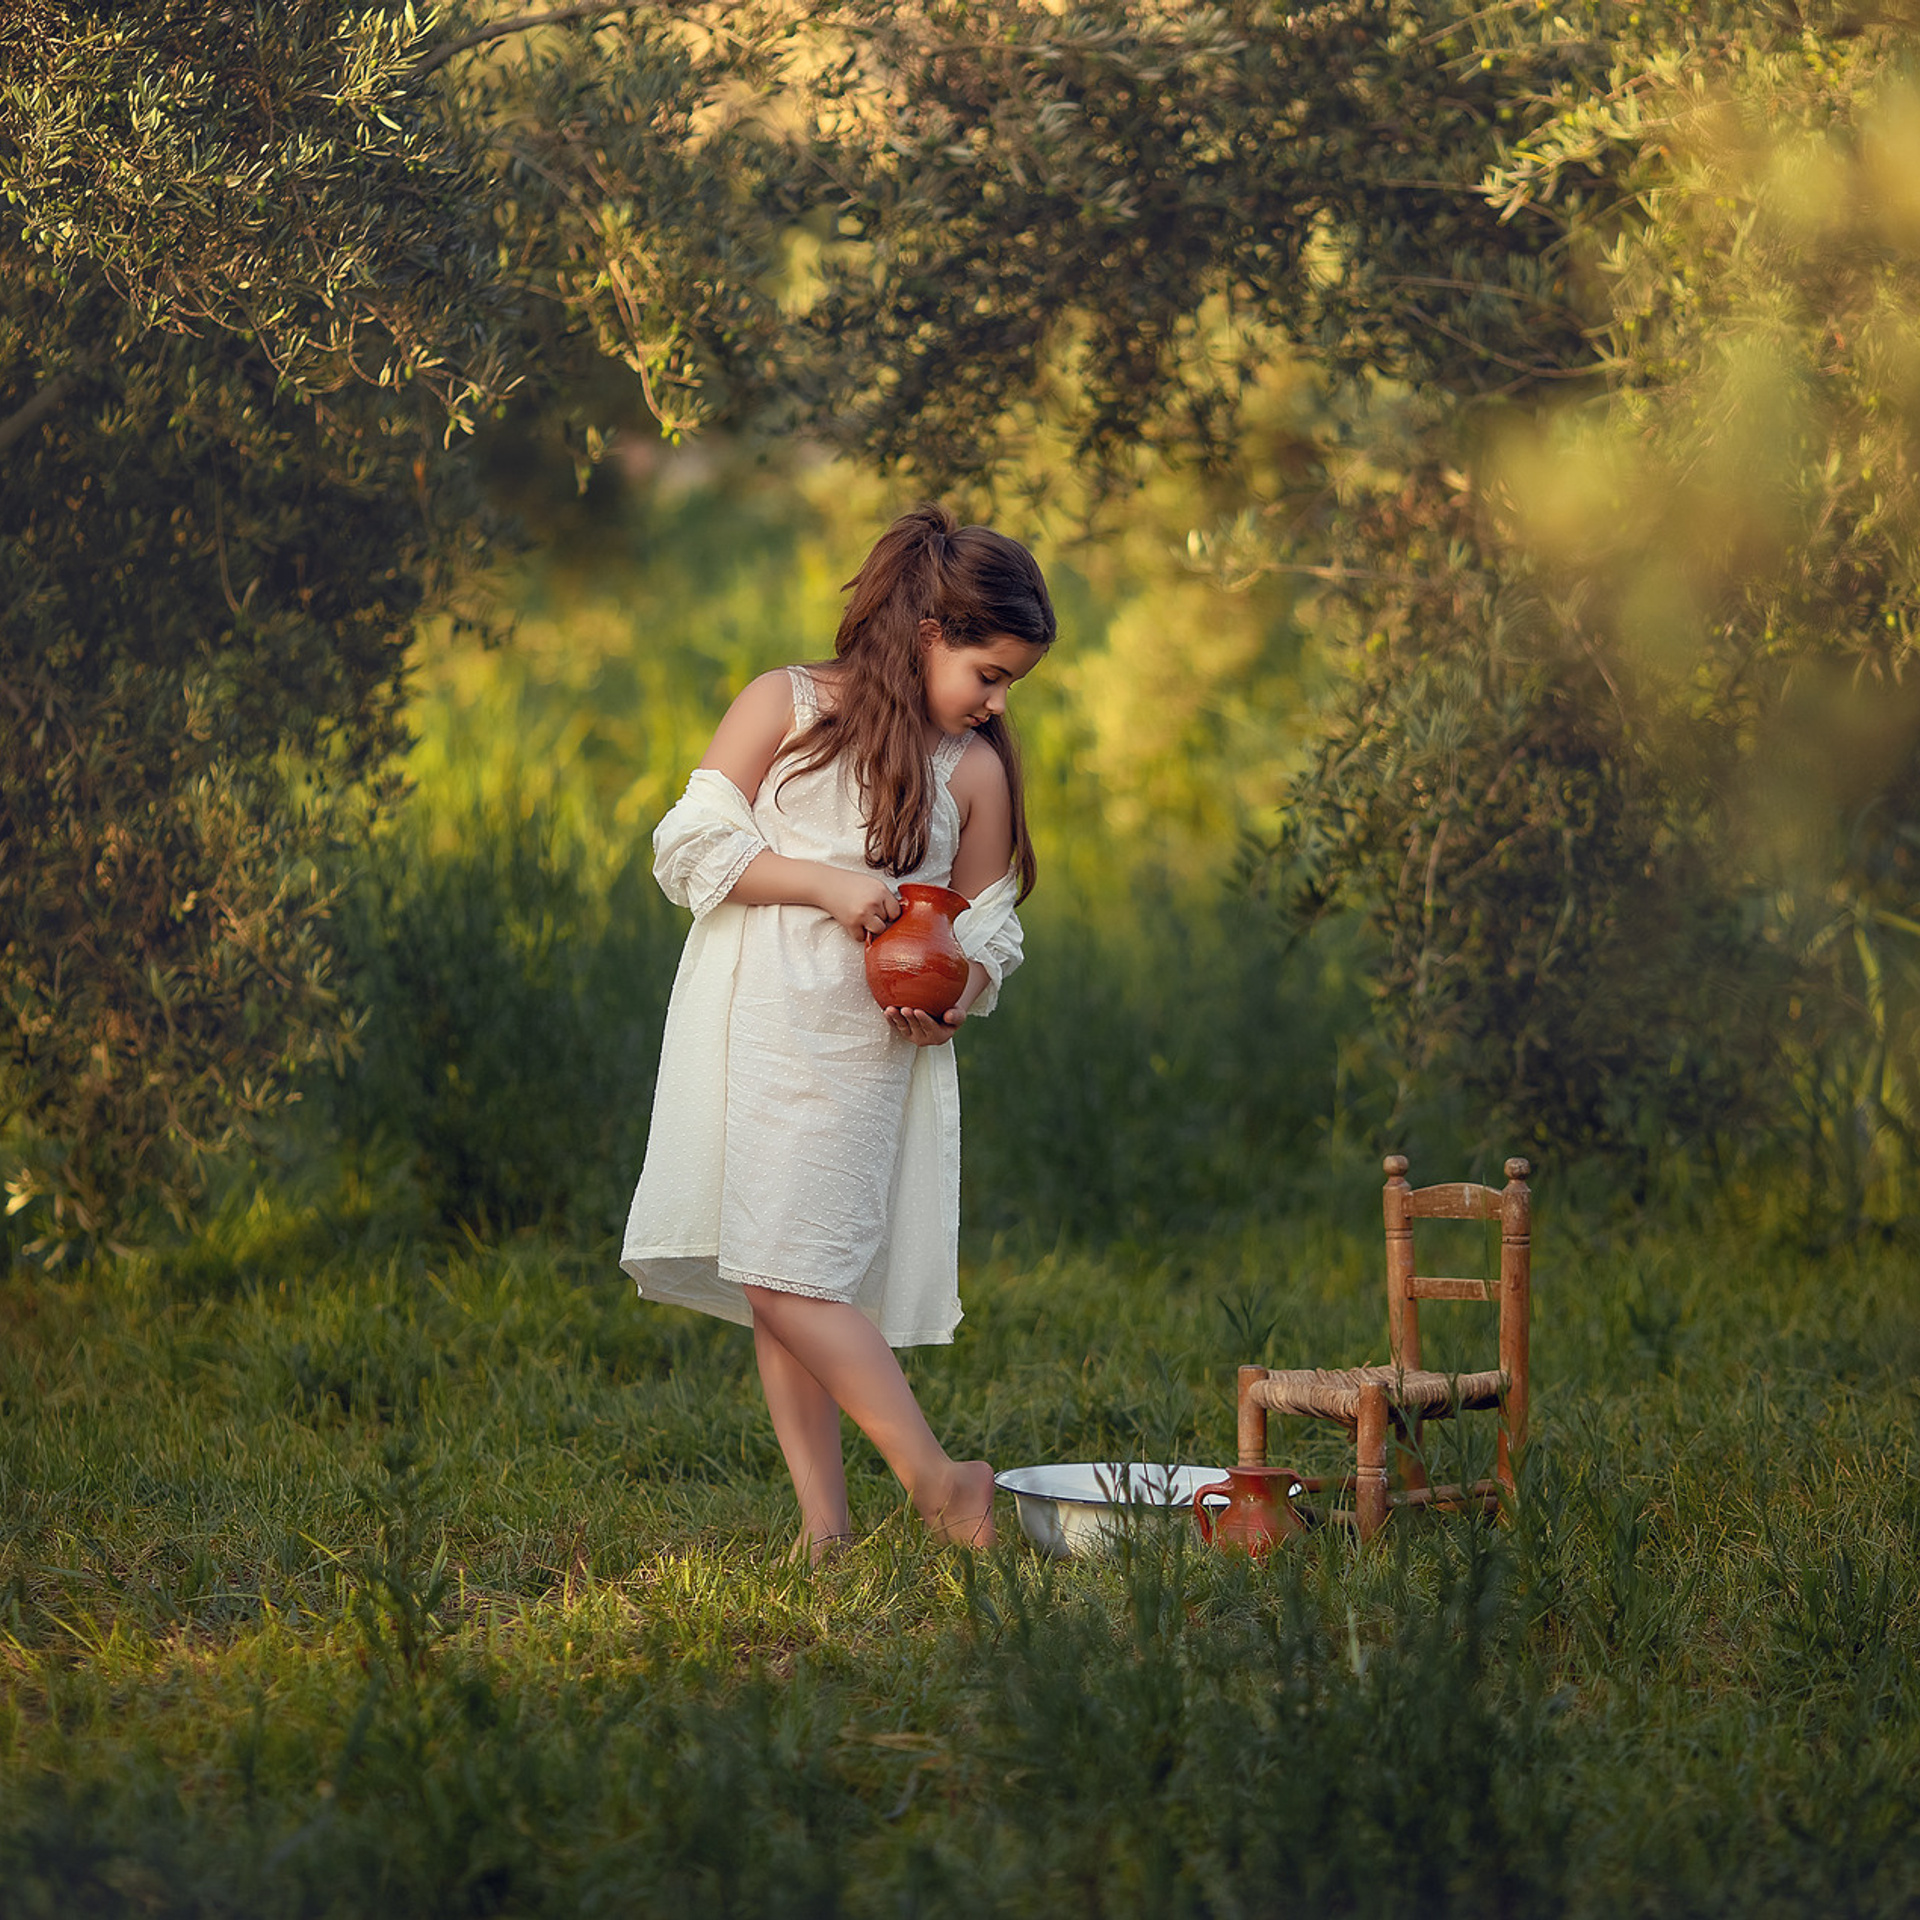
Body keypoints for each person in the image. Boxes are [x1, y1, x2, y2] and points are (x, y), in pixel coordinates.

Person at [621, 503, 1055, 1561]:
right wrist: (824, 883)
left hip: (860, 1045)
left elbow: (989, 928)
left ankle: (941, 1482)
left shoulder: (972, 769)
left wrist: (959, 996)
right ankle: (825, 1527)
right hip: (750, 1021)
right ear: (926, 635)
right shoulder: (785, 704)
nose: (998, 702)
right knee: (773, 1270)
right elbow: (690, 846)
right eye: (988, 674)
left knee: (795, 1272)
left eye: (1009, 684)